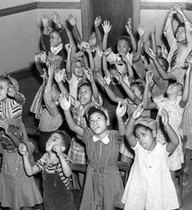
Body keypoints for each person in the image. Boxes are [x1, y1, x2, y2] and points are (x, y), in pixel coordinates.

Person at [59, 93, 126, 210]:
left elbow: (122, 133)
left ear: (107, 122)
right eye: (92, 121)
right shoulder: (88, 136)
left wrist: (120, 118)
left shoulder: (114, 135)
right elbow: (74, 127)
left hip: (110, 179)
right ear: (89, 126)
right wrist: (66, 110)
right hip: (92, 178)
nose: (95, 123)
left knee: (110, 205)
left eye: (99, 119)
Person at [143, 64, 192, 208]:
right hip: (158, 142)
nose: (171, 85)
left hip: (172, 142)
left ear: (179, 92)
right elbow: (145, 104)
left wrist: (188, 73)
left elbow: (186, 96)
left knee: (170, 178)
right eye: (171, 84)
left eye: (176, 85)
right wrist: (147, 85)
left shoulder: (179, 103)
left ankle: (179, 206)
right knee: (154, 175)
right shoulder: (161, 101)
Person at [122, 104, 179, 210]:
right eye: (138, 137)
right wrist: (132, 118)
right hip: (139, 187)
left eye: (144, 135)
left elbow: (175, 142)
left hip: (157, 188)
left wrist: (166, 125)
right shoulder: (138, 149)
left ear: (153, 133)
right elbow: (128, 134)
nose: (141, 140)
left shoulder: (162, 150)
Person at [19, 130, 76, 210]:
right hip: (49, 204)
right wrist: (25, 155)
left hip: (64, 205)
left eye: (54, 139)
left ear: (62, 149)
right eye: (49, 138)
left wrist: (61, 156)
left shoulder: (63, 160)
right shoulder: (45, 160)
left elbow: (68, 173)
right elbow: (30, 172)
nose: (49, 140)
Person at [0, 121, 42, 210]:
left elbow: (22, 145)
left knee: (26, 206)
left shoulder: (26, 147)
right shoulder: (4, 150)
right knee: (12, 205)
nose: (5, 142)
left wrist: (10, 133)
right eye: (2, 139)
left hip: (24, 186)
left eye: (9, 138)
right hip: (9, 186)